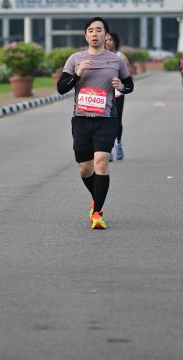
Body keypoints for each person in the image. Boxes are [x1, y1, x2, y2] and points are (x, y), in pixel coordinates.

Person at [57, 17, 134, 230]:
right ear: (86, 35)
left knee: (101, 161)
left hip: (106, 119)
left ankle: (98, 213)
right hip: (81, 119)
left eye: (99, 30)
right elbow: (61, 88)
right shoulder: (75, 59)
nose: (94, 33)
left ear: (105, 35)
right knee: (85, 169)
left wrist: (122, 87)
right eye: (90, 30)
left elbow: (129, 84)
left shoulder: (116, 61)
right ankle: (96, 198)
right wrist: (77, 75)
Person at [105, 31, 130, 161]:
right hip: (103, 94)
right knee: (105, 121)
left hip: (118, 94)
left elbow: (128, 78)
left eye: (110, 39)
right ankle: (108, 150)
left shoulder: (121, 57)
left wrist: (121, 84)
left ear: (115, 42)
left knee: (116, 121)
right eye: (105, 40)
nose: (107, 42)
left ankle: (118, 144)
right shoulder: (101, 56)